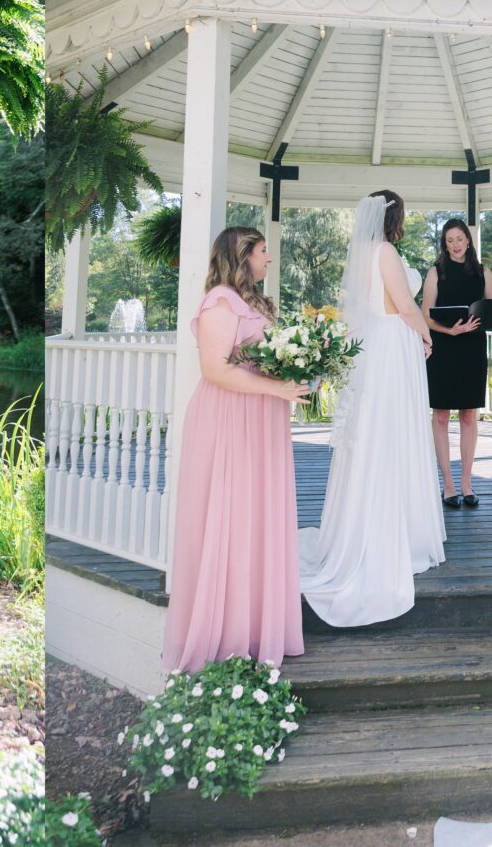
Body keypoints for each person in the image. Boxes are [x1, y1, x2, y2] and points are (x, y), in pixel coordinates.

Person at [162, 227, 309, 674]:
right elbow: (215, 370)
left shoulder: (251, 303)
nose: (269, 259)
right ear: (243, 256)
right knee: (230, 516)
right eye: (263, 252)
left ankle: (254, 625)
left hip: (259, 418)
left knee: (255, 517)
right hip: (229, 418)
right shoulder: (221, 302)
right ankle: (221, 632)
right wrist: (277, 387)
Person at [298, 191, 445, 626]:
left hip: (372, 349)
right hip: (391, 351)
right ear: (394, 217)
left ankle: (360, 523)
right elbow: (404, 307)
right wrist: (427, 336)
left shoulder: (361, 254)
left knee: (372, 436)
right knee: (392, 435)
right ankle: (399, 535)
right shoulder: (384, 251)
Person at [421, 218, 492, 509]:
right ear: (445, 243)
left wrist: (480, 320)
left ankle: (466, 483)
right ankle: (448, 486)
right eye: (449, 240)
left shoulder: (483, 272)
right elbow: (426, 315)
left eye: (459, 239)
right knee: (440, 416)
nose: (455, 244)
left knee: (468, 415)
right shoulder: (435, 272)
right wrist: (448, 330)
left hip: (473, 347)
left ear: (468, 240)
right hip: (444, 347)